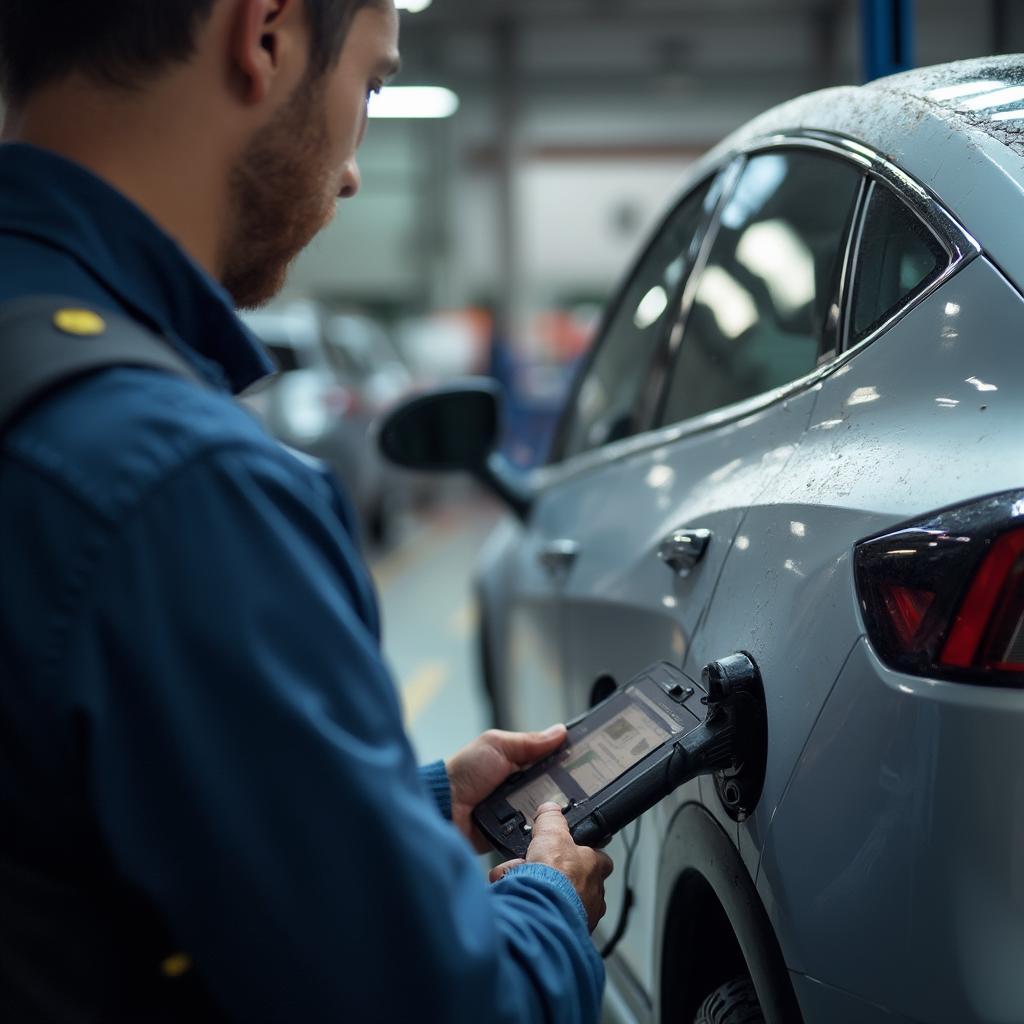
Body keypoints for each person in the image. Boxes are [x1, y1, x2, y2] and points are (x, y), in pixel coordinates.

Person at [0, 2, 613, 1021]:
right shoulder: (183, 488)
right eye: (371, 87)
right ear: (267, 34)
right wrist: (550, 904)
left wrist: (398, 810)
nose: (354, 169)